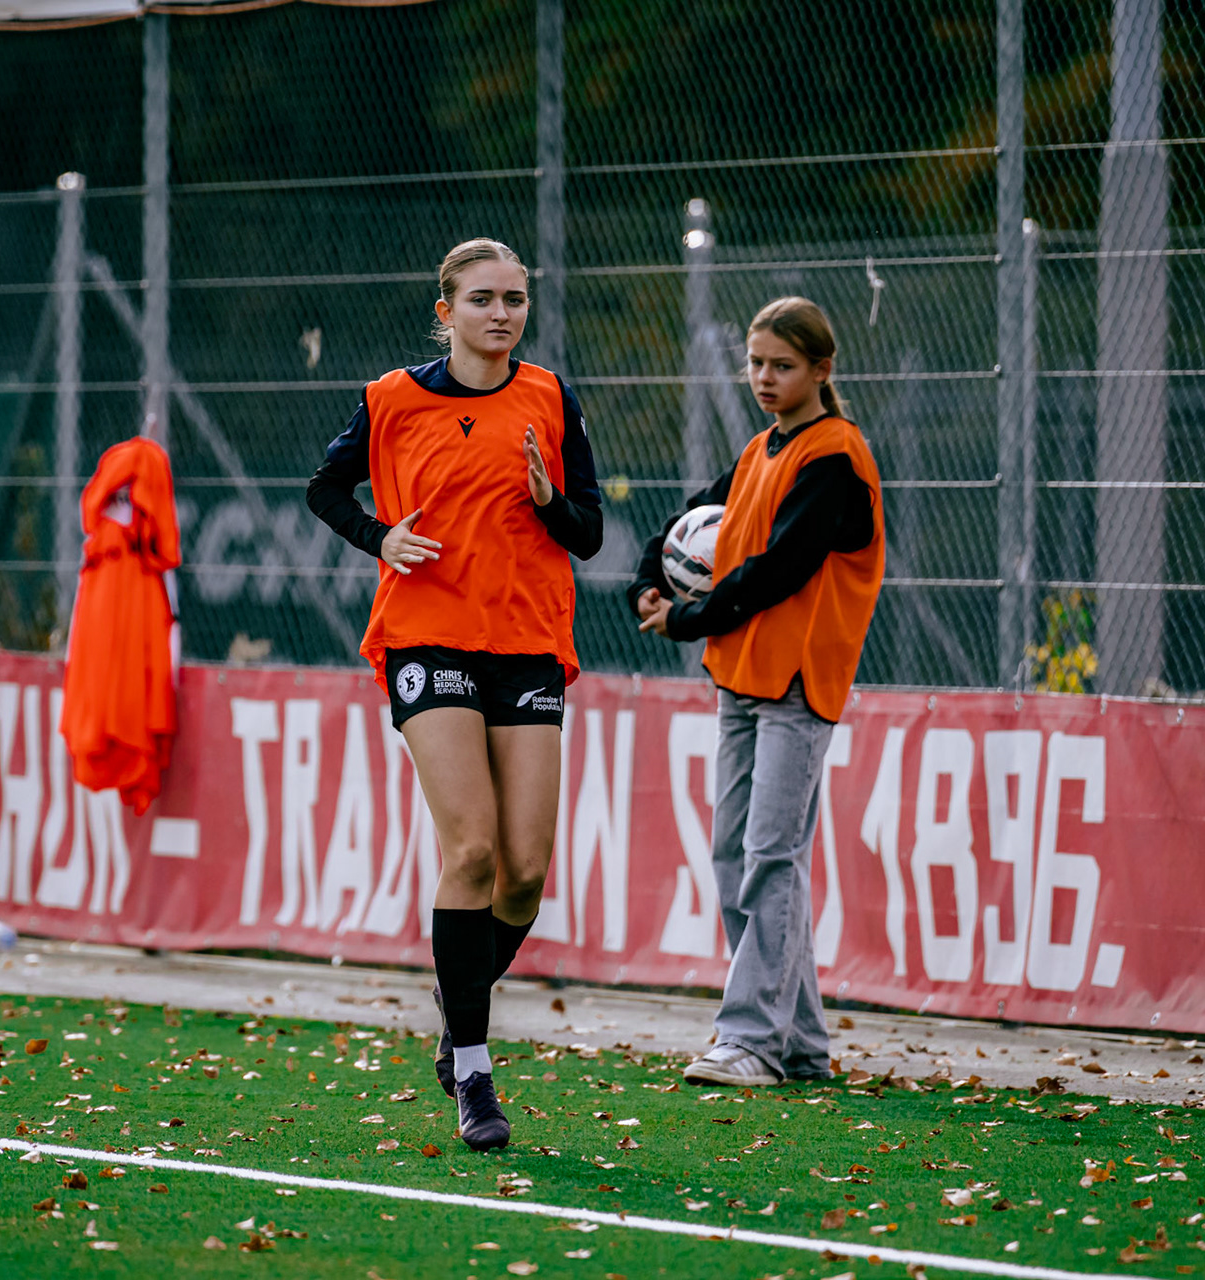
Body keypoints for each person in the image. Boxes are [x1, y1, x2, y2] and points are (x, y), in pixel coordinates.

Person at [307, 237, 603, 1150]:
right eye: (482, 299)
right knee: (469, 849)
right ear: (447, 310)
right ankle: (473, 1071)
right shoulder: (392, 398)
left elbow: (586, 533)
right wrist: (379, 537)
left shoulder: (550, 397)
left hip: (527, 643)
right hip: (427, 637)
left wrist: (550, 499)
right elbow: (324, 489)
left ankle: (455, 991)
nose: (502, 313)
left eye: (515, 298)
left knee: (524, 875)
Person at [631, 296, 885, 1088]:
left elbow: (781, 568)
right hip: (739, 676)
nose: (765, 379)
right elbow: (684, 522)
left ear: (821, 370)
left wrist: (690, 617)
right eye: (757, 363)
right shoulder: (758, 451)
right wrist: (649, 580)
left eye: (782, 365)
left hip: (798, 683)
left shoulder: (833, 456)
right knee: (735, 856)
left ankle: (751, 1041)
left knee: (772, 858)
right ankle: (802, 1042)